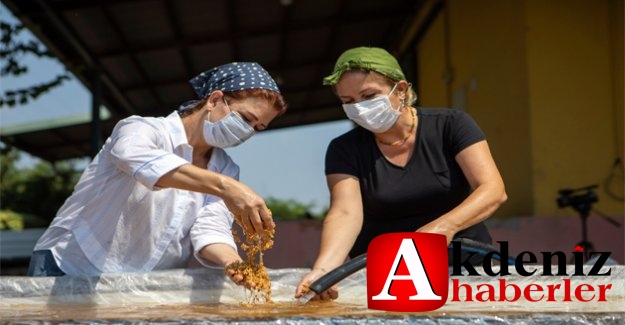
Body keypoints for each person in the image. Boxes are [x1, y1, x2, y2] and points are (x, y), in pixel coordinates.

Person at [27, 62, 287, 288]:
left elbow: (209, 228)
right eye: (245, 118)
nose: (247, 131)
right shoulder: (141, 129)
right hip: (71, 265)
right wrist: (226, 187)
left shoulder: (225, 168)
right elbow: (145, 164)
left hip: (138, 287)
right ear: (215, 99)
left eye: (257, 127)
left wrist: (234, 263)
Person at [294, 47, 507, 301]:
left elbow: (492, 189)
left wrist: (443, 228)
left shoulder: (451, 125)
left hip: (467, 269)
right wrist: (324, 268)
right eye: (348, 101)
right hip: (391, 276)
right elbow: (345, 212)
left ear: (401, 89)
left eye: (369, 95)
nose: (360, 107)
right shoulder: (344, 149)